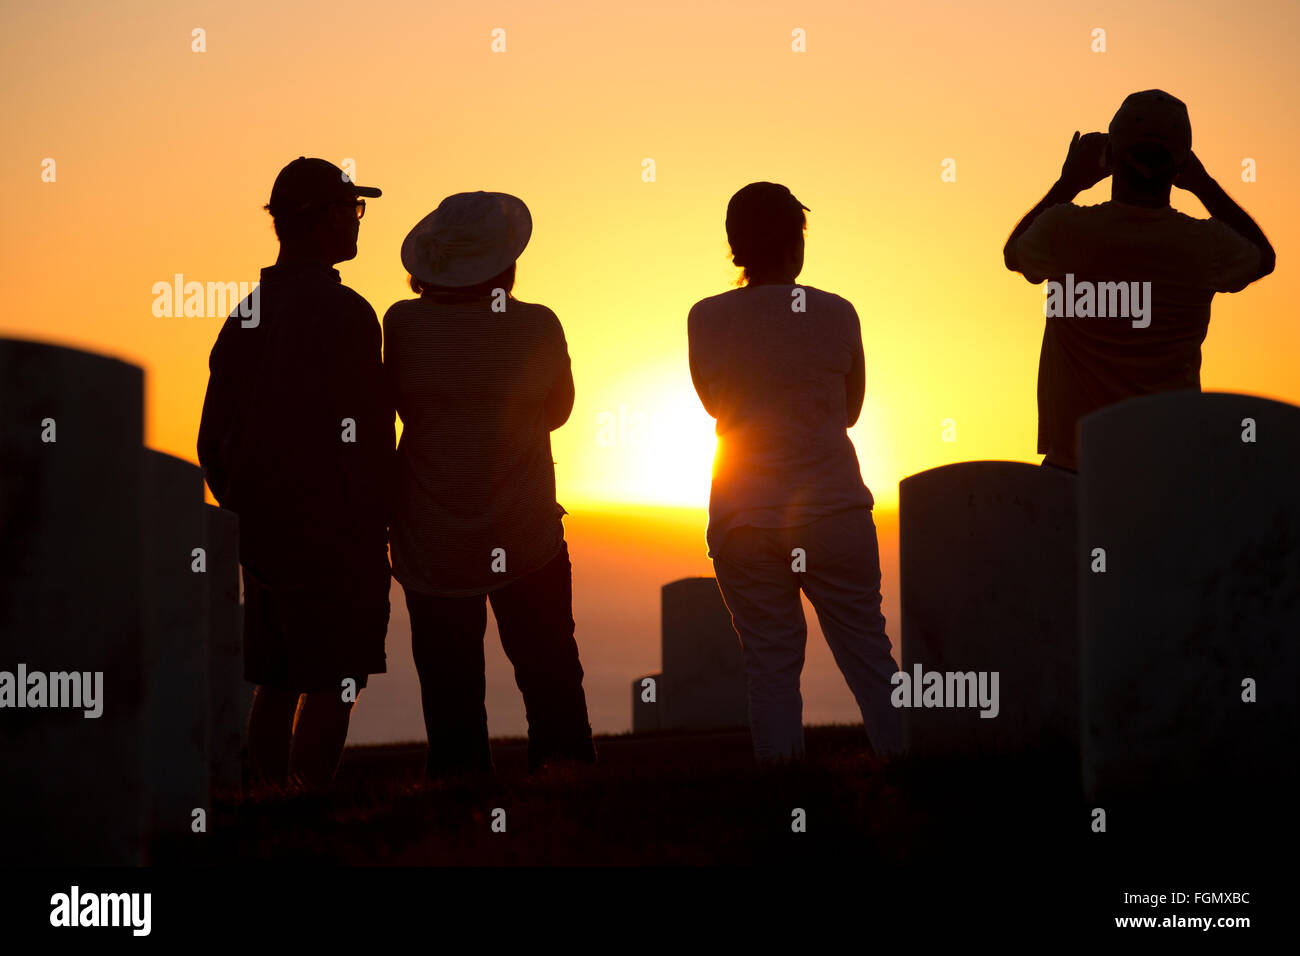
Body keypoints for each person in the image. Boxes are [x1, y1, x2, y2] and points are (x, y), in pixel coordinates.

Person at [687, 182, 903, 765]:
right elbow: (850, 410)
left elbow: (714, 404)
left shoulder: (705, 318)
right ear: (796, 242)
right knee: (870, 656)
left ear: (735, 247)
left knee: (771, 669)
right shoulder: (837, 312)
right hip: (834, 510)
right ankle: (911, 772)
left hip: (744, 519)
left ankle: (784, 796)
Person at [383, 191, 596, 778]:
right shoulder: (536, 324)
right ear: (505, 262)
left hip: (431, 535)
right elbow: (558, 410)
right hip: (523, 528)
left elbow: (394, 404)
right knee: (550, 672)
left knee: (449, 688)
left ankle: (460, 802)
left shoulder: (401, 324)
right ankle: (567, 790)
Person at [197, 157, 394, 789]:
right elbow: (366, 433)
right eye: (353, 209)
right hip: (334, 531)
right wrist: (373, 519)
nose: (358, 222)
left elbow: (212, 440)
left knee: (279, 679)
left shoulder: (245, 315)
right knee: (335, 678)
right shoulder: (347, 315)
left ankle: (269, 811)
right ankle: (306, 813)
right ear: (330, 217)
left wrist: (248, 508)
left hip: (263, 533)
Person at [1004, 89, 1275, 471]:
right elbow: (1263, 257)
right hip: (1164, 478)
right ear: (1180, 165)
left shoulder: (1064, 230)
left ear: (1112, 157)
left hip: (1073, 475)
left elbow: (1013, 252)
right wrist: (1203, 184)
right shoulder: (1204, 245)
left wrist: (1069, 182)